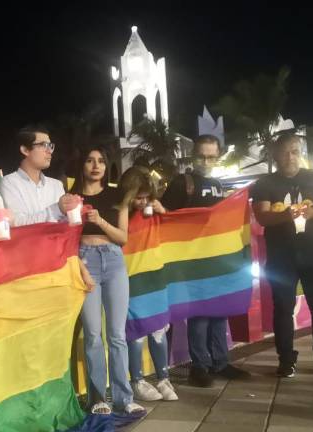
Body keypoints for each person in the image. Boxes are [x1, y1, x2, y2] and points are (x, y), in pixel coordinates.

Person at [251, 132, 313, 378]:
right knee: (283, 307)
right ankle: (285, 360)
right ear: (275, 155)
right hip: (281, 256)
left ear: (300, 152)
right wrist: (287, 215)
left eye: (294, 151)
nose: (290, 157)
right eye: (284, 152)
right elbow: (262, 216)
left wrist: (307, 212)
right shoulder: (264, 184)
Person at [160, 134, 250, 387]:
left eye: (212, 156)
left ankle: (220, 362)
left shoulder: (217, 184)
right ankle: (200, 366)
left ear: (218, 156)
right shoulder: (182, 182)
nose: (207, 161)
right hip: (191, 260)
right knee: (199, 314)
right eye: (202, 156)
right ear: (193, 155)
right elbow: (165, 217)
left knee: (219, 310)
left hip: (217, 260)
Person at [70, 146, 144, 415]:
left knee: (117, 334)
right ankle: (97, 397)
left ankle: (124, 397)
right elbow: (67, 238)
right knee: (92, 334)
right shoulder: (71, 198)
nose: (96, 165)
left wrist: (100, 221)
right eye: (90, 160)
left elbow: (123, 237)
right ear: (82, 165)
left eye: (101, 161)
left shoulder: (117, 195)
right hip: (85, 261)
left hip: (113, 261)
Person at [119, 166, 178, 401]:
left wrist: (163, 211)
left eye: (146, 196)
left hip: (156, 276)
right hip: (130, 276)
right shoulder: (119, 213)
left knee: (158, 327)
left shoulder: (155, 211)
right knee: (135, 330)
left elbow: (178, 227)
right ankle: (137, 380)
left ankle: (164, 378)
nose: (142, 201)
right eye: (137, 196)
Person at [0, 125, 80, 225]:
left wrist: (73, 209)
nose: (49, 151)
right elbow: (16, 223)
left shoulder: (56, 185)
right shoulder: (9, 183)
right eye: (43, 145)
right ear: (25, 150)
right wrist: (57, 209)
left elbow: (64, 224)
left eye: (50, 146)